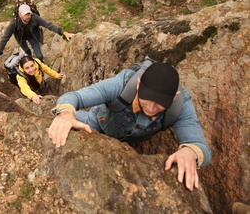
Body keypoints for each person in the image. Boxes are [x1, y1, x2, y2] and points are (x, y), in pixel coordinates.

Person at [48, 62, 212, 191]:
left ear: (174, 97)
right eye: (147, 99)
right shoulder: (122, 83)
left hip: (128, 144)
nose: (151, 108)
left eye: (160, 105)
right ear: (139, 85)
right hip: (97, 125)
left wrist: (190, 151)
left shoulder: (180, 104)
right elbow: (74, 96)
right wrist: (66, 113)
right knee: (73, 124)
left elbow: (200, 146)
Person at [0, 4, 73, 66]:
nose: (28, 16)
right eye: (26, 14)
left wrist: (63, 32)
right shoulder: (13, 23)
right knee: (28, 52)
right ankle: (31, 62)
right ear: (20, 15)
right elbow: (5, 39)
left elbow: (48, 25)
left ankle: (41, 65)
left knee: (39, 56)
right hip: (21, 38)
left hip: (32, 36)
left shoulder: (34, 18)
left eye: (29, 13)